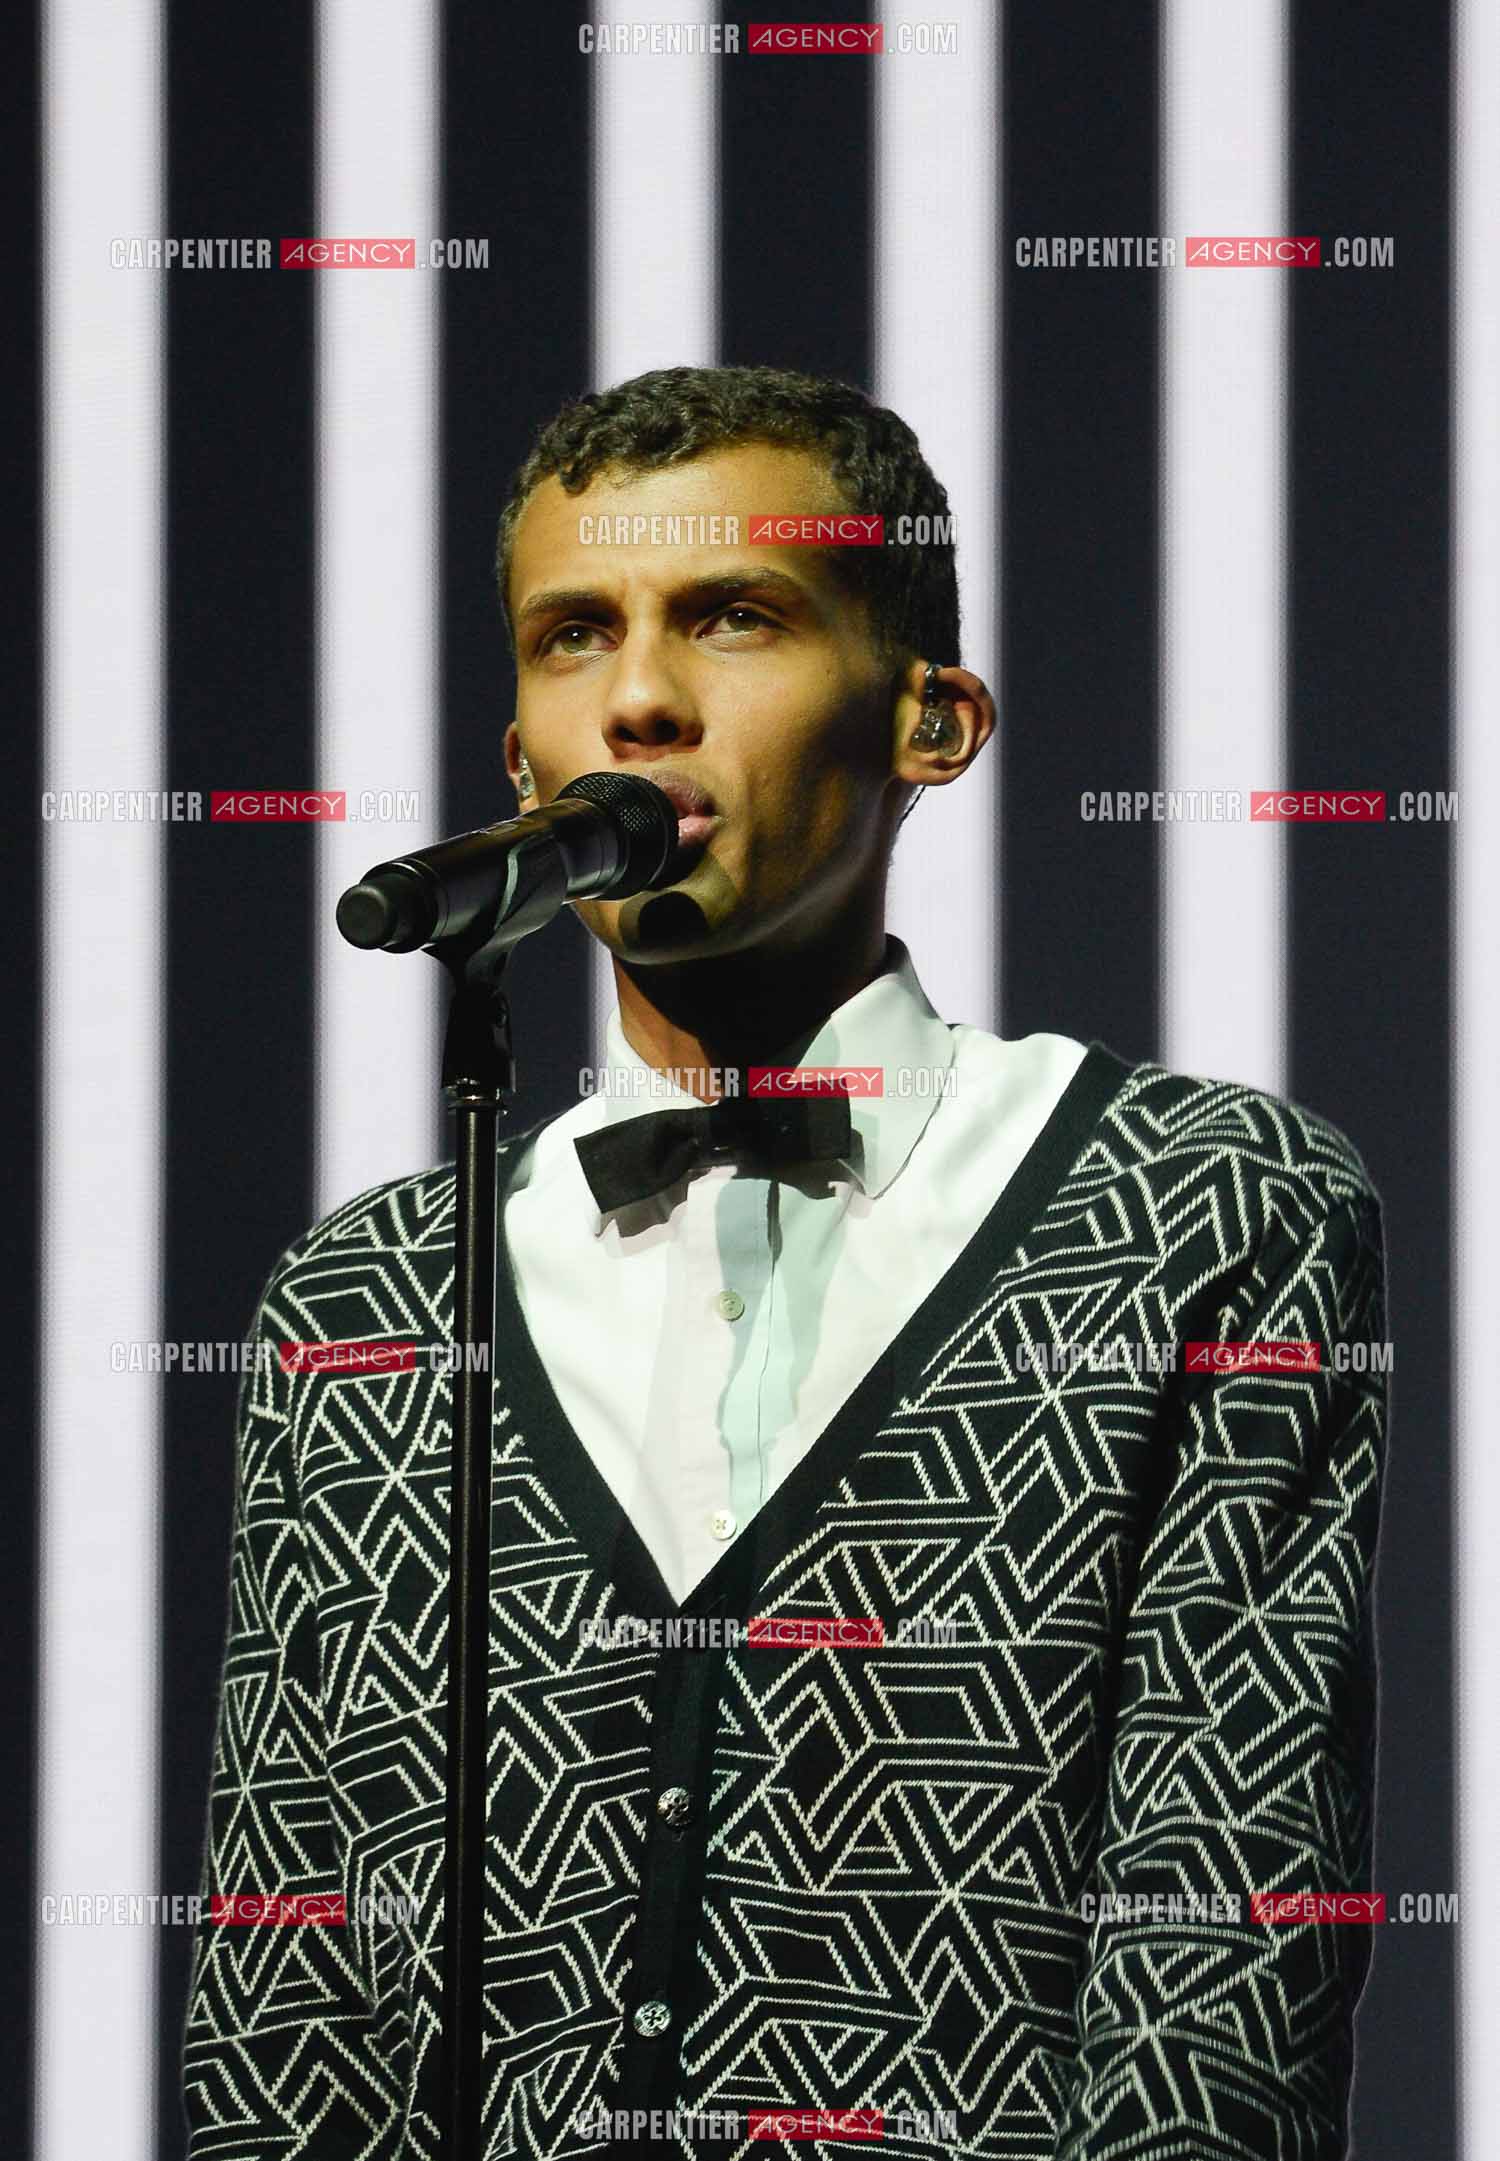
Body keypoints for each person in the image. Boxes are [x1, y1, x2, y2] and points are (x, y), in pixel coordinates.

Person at [181, 365, 1387, 2159]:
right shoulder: (365, 1302)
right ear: (519, 764)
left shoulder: (1203, 1201)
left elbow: (1218, 1952)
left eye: (733, 618)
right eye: (574, 636)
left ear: (933, 721)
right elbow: (287, 2019)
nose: (643, 698)